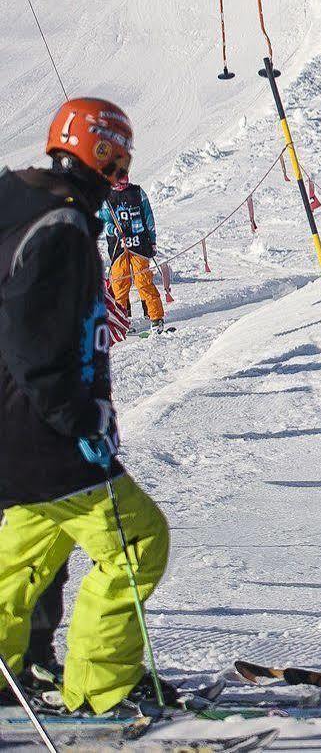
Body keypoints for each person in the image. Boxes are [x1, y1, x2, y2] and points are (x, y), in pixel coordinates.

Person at [0, 98, 172, 717]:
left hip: (15, 435)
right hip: (45, 433)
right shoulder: (61, 228)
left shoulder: (25, 210)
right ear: (95, 151)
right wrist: (79, 420)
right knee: (137, 542)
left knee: (25, 553)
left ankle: (6, 667)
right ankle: (102, 689)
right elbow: (34, 341)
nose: (119, 172)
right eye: (114, 156)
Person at [98, 177, 164, 335]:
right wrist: (114, 230)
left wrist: (152, 240)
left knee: (144, 281)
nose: (123, 184)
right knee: (120, 284)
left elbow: (148, 216)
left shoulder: (137, 192)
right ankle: (122, 322)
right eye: (119, 181)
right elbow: (103, 222)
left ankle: (156, 317)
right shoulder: (106, 198)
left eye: (125, 179)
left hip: (139, 245)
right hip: (118, 248)